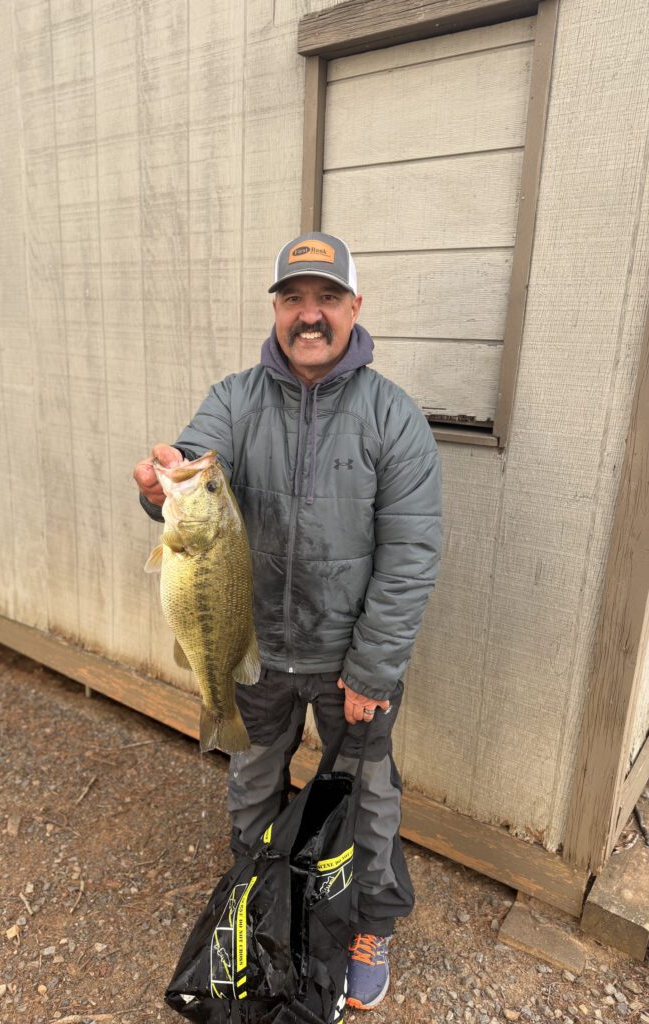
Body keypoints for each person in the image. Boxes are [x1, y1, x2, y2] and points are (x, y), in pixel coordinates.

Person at [134, 231, 441, 1011]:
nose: (310, 315)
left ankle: (370, 925)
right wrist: (160, 483)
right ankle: (255, 891)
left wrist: (372, 669)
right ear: (275, 310)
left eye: (326, 298)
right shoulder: (235, 399)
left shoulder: (393, 416)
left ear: (354, 307)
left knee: (366, 795)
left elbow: (410, 555)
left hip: (349, 663)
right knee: (250, 778)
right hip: (256, 650)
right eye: (293, 299)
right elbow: (192, 467)